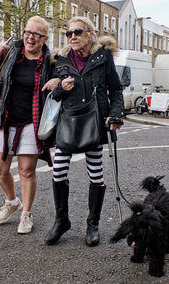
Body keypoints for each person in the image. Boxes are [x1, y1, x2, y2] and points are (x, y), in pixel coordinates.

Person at [0, 16, 59, 234]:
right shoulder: (10, 52)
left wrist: (59, 81)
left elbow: (67, 76)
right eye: (28, 32)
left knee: (27, 170)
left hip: (32, 123)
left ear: (45, 38)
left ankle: (26, 214)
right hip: (4, 120)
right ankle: (12, 202)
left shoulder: (50, 62)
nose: (31, 37)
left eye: (37, 35)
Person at [44, 16, 124, 247]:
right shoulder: (59, 59)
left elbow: (116, 90)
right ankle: (61, 221)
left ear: (90, 34)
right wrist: (60, 87)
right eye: (69, 33)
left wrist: (116, 114)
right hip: (67, 123)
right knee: (58, 172)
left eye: (78, 32)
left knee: (96, 174)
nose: (73, 37)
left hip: (95, 122)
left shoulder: (103, 57)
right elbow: (51, 96)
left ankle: (93, 224)